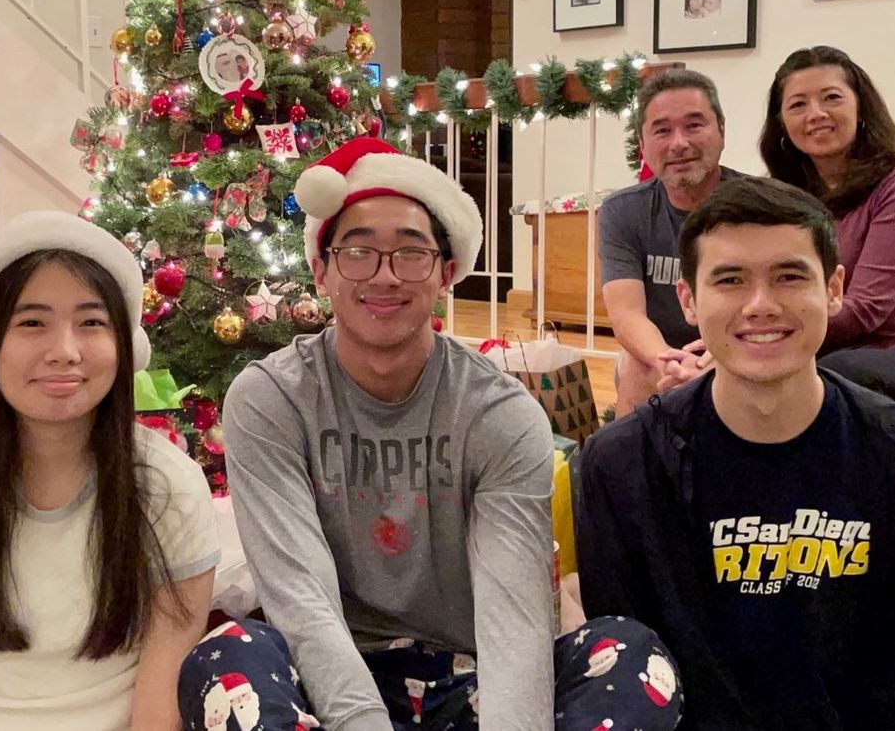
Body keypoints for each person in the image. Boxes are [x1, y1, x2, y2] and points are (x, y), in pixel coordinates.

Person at [178, 137, 682, 731]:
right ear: (320, 270)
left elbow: (513, 611)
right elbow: (299, 590)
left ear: (445, 272)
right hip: (328, 681)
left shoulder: (499, 413)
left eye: (411, 253)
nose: (385, 275)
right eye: (357, 251)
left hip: (470, 677)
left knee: (633, 655)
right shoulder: (272, 399)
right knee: (224, 657)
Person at [580, 176, 895, 729]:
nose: (761, 305)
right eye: (731, 279)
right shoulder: (620, 467)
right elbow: (630, 672)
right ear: (689, 300)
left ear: (834, 289)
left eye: (790, 276)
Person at [0, 211, 219, 730]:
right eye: (32, 323)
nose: (65, 352)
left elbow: (158, 712)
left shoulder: (170, 487)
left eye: (91, 322)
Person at [760, 45, 895, 410]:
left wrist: (770, 334)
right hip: (824, 345)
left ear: (861, 107)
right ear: (781, 123)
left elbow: (865, 310)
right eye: (798, 104)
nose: (816, 114)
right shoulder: (783, 194)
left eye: (831, 98)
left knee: (827, 376)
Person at [599, 68, 743, 416]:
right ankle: (627, 453)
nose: (678, 143)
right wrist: (668, 361)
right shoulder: (624, 211)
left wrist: (721, 355)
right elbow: (626, 314)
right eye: (662, 130)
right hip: (660, 352)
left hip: (739, 344)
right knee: (637, 369)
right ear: (643, 143)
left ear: (721, 130)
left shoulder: (757, 207)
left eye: (694, 125)